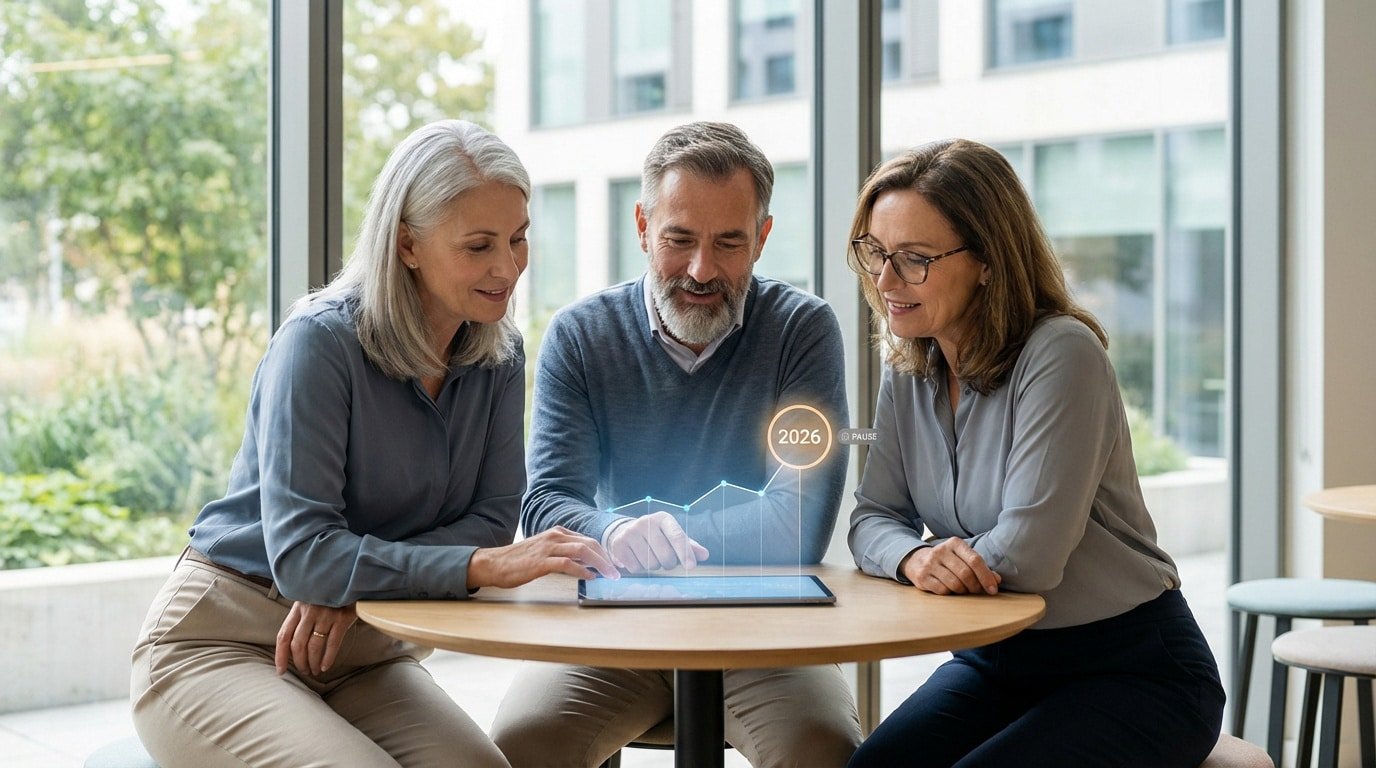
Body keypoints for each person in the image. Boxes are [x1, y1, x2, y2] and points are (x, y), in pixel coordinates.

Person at [129, 119, 617, 768]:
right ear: (407, 244)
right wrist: (463, 566)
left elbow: (493, 520)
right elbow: (305, 558)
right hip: (226, 639)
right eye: (478, 246)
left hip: (363, 648)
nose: (507, 267)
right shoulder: (320, 343)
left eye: (518, 239)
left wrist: (355, 588)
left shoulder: (498, 357)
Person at [490, 121, 861, 767]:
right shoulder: (580, 335)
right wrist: (610, 533)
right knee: (524, 745)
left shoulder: (803, 330)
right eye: (679, 240)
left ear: (763, 238)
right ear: (641, 226)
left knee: (822, 749)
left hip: (765, 637)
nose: (701, 269)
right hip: (613, 629)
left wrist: (643, 539)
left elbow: (796, 523)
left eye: (729, 243)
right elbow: (547, 502)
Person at [845, 139, 1224, 768]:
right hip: (996, 662)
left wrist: (943, 565)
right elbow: (871, 519)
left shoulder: (1061, 354)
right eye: (876, 252)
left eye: (914, 259)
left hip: (1134, 671)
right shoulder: (910, 365)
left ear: (989, 260)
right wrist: (914, 556)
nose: (886, 280)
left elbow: (1030, 555)